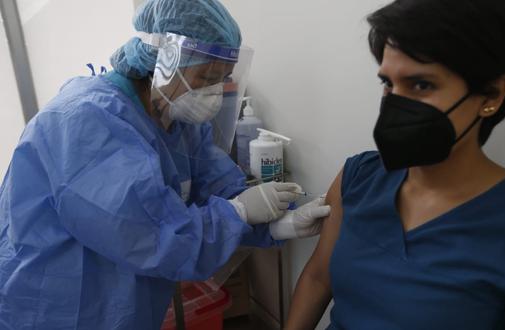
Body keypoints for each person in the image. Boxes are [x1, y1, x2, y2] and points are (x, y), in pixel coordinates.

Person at [0, 0, 329, 329]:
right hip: (57, 307)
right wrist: (239, 213)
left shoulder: (177, 117)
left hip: (123, 308)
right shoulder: (86, 124)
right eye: (205, 77)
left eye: (223, 78)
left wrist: (275, 224)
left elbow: (216, 186)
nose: (214, 93)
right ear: (163, 61)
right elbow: (153, 236)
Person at [286, 0, 505, 329]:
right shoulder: (359, 178)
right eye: (388, 83)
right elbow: (317, 278)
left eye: (421, 85)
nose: (395, 102)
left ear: (492, 94)